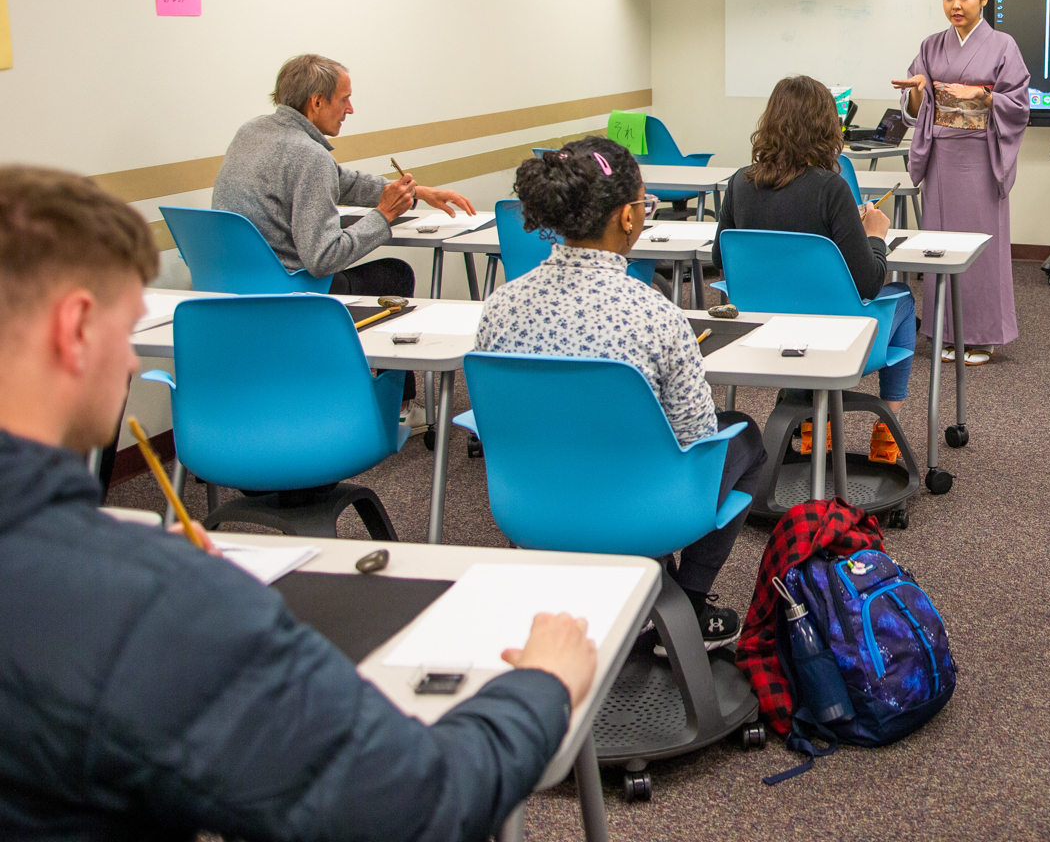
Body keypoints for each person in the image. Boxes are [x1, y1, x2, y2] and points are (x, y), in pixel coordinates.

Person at [0, 165, 596, 841]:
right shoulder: (135, 607)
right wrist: (543, 685)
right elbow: (417, 806)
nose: (133, 365)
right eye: (124, 330)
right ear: (75, 328)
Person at [476, 138, 767, 647]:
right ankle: (686, 602)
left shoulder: (500, 305)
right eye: (644, 205)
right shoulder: (654, 314)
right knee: (744, 439)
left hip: (532, 500)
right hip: (644, 505)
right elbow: (696, 435)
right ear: (627, 218)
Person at [713, 75, 916, 464]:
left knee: (804, 301)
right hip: (836, 334)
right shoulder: (831, 188)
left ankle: (812, 430)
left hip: (762, 329)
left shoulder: (740, 182)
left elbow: (720, 262)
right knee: (902, 300)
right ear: (826, 128)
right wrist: (873, 235)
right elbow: (869, 283)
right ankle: (887, 429)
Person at [211, 53, 474, 297]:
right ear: (316, 102)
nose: (350, 109)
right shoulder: (309, 154)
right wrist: (383, 215)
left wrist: (418, 192)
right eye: (344, 99)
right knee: (396, 274)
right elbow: (323, 259)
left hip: (230, 283)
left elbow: (338, 181)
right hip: (290, 290)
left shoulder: (250, 131)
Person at [892, 0, 1030, 365]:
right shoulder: (931, 46)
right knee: (939, 244)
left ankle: (983, 336)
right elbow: (916, 111)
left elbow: (1019, 105)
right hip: (942, 155)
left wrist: (983, 96)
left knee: (980, 247)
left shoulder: (1003, 45)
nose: (956, 5)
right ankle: (945, 331)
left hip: (982, 155)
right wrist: (919, 91)